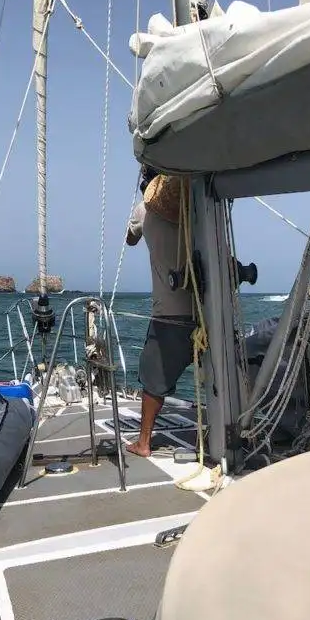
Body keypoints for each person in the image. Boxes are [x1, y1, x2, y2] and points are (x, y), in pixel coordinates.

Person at [125, 170, 195, 457]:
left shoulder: (144, 210)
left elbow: (130, 240)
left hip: (171, 313)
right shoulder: (199, 207)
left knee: (154, 380)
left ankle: (144, 442)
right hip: (210, 309)